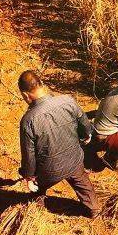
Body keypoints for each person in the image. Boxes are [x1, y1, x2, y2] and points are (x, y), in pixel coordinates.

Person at [18, 70, 100, 218]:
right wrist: (86, 136)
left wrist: (29, 177)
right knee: (83, 182)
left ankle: (37, 206)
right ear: (42, 85)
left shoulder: (28, 121)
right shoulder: (68, 101)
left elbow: (29, 156)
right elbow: (86, 127)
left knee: (37, 188)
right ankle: (93, 209)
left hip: (48, 172)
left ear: (25, 95)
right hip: (74, 160)